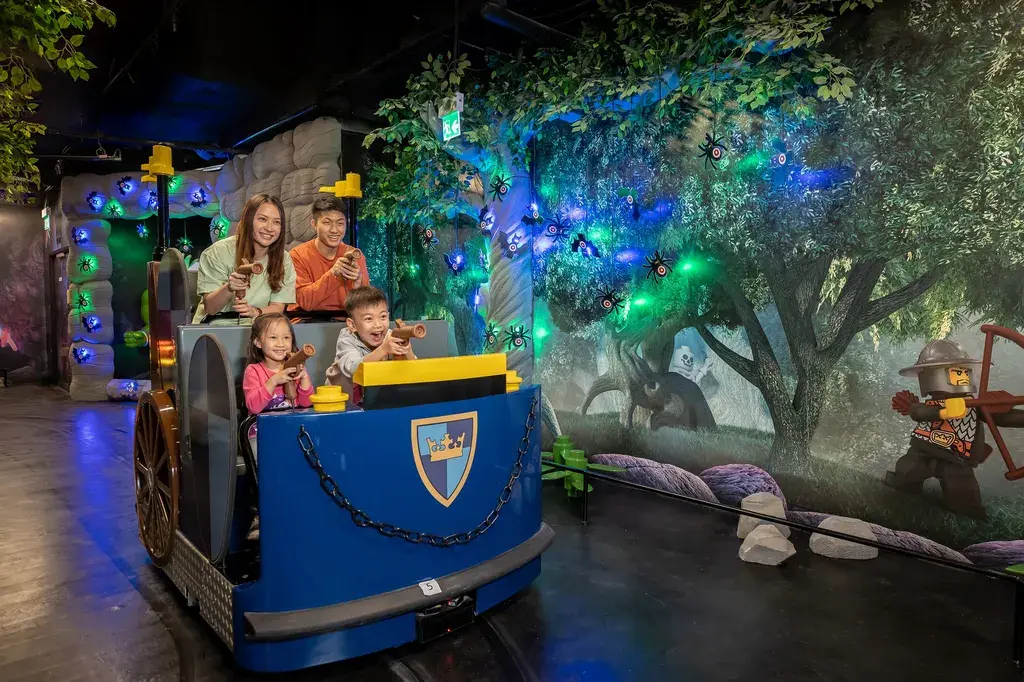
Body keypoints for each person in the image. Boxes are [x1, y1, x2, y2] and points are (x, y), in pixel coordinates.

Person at [887, 338, 1024, 519]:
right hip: (924, 450)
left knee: (963, 490)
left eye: (963, 372)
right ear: (932, 376)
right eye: (956, 373)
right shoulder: (932, 405)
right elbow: (919, 412)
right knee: (908, 471)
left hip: (957, 458)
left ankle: (968, 511)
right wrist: (944, 412)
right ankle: (901, 486)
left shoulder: (975, 405)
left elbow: (1001, 416)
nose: (962, 377)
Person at [241, 312, 314, 540]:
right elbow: (254, 405)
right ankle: (260, 514)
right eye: (273, 338)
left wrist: (304, 380)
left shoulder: (296, 367)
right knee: (266, 464)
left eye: (286, 338)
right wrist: (274, 381)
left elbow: (306, 403)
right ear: (258, 342)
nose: (281, 343)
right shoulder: (254, 371)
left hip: (292, 432)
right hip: (261, 434)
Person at [192, 193, 296, 324]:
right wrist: (229, 287)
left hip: (257, 326)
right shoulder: (217, 252)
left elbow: (277, 307)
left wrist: (255, 312)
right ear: (248, 220)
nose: (269, 228)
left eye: (276, 222)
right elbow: (211, 308)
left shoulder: (284, 259)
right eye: (262, 219)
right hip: (214, 326)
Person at [325, 286, 415, 401]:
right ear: (352, 325)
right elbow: (355, 369)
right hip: (339, 400)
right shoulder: (347, 339)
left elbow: (412, 370)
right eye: (369, 319)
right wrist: (383, 350)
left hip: (371, 399)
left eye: (383, 316)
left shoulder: (390, 337)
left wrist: (407, 350)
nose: (378, 324)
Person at [289, 195, 369, 312]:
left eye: (340, 223)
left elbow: (367, 306)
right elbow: (305, 302)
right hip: (307, 319)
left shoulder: (356, 256)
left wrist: (358, 285)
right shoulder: (297, 255)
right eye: (327, 223)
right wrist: (333, 274)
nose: (334, 230)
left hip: (346, 320)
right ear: (314, 224)